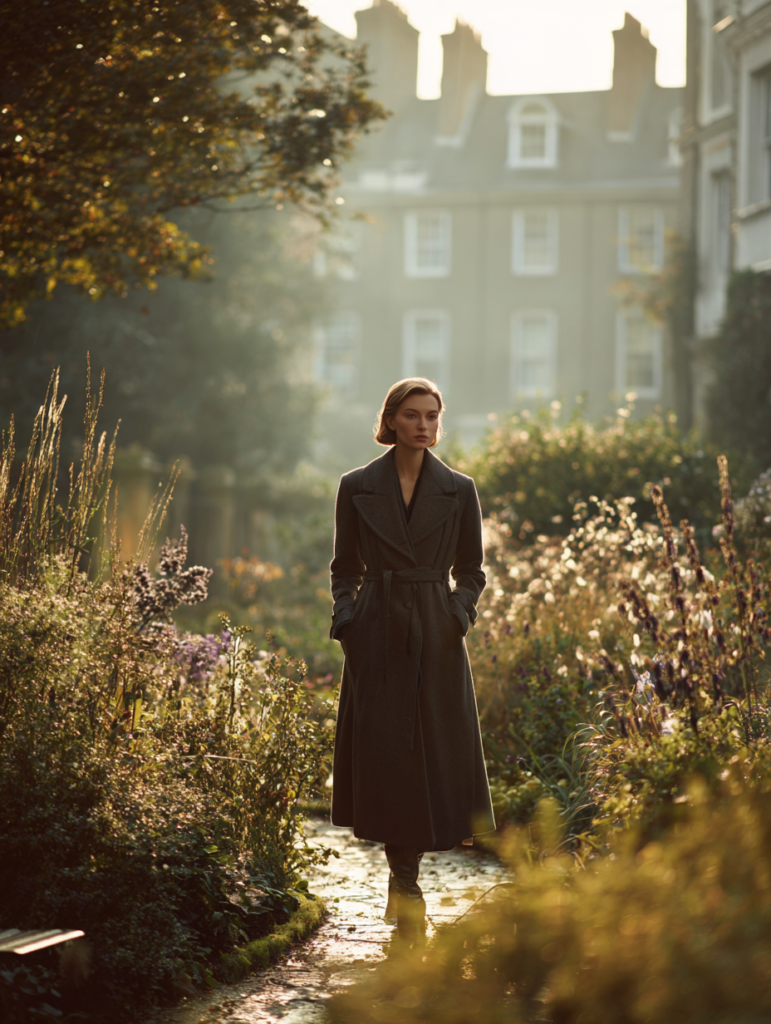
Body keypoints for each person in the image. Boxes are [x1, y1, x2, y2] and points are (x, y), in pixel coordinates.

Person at [328, 377, 495, 939]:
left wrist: (455, 616)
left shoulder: (459, 490)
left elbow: (472, 571)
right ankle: (405, 885)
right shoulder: (355, 486)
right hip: (375, 632)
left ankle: (405, 885)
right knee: (388, 761)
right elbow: (343, 569)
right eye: (413, 415)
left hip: (435, 634)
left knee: (431, 759)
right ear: (392, 420)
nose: (424, 425)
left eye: (432, 415)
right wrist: (348, 619)